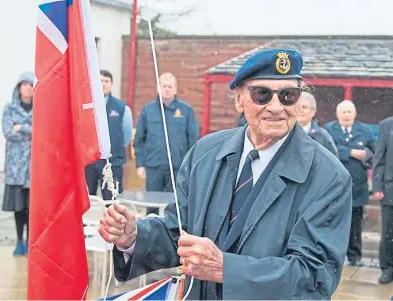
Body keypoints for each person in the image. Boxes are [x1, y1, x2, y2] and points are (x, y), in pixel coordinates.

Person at [99, 49, 352, 299]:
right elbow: (180, 232)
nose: (276, 107)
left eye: (288, 95)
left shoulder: (329, 177)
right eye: (262, 94)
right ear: (239, 99)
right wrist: (134, 237)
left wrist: (227, 270)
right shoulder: (205, 153)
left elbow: (315, 276)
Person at [133, 72, 199, 214]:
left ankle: (172, 234)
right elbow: (139, 140)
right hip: (153, 167)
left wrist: (189, 165)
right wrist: (140, 164)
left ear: (175, 88)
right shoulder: (148, 110)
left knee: (174, 205)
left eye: (170, 86)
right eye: (164, 86)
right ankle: (151, 234)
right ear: (158, 88)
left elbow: (193, 140)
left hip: (177, 167)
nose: (167, 89)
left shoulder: (186, 110)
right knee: (152, 205)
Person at [324, 100, 376, 266]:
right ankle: (333, 256)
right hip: (334, 184)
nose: (346, 115)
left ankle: (355, 256)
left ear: (354, 114)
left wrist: (368, 157)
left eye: (349, 112)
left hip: (357, 185)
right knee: (333, 221)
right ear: (337, 114)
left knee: (355, 224)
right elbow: (326, 150)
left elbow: (377, 151)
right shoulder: (328, 130)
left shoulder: (364, 130)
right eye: (343, 112)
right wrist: (350, 152)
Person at [84, 70, 133, 198]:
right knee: (89, 200)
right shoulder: (86, 105)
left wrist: (114, 147)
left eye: (107, 81)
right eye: (100, 81)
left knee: (112, 200)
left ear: (111, 84)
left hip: (113, 161)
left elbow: (126, 134)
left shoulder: (121, 108)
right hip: (90, 161)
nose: (103, 84)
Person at [1, 72, 34, 256]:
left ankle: (31, 241)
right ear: (19, 87)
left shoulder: (40, 109)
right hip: (15, 168)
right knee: (18, 208)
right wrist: (30, 131)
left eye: (31, 84)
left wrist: (21, 127)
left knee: (32, 208)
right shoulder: (9, 109)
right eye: (25, 84)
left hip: (33, 168)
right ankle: (19, 240)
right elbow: (8, 132)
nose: (29, 87)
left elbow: (41, 132)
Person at [372, 116, 393, 283]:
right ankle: (387, 268)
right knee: (388, 232)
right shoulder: (386, 125)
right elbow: (379, 157)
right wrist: (377, 186)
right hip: (390, 188)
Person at [296, 91, 338, 157]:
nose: (301, 110)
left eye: (304, 107)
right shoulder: (283, 133)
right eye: (297, 107)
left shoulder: (322, 135)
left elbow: (333, 160)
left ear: (313, 111)